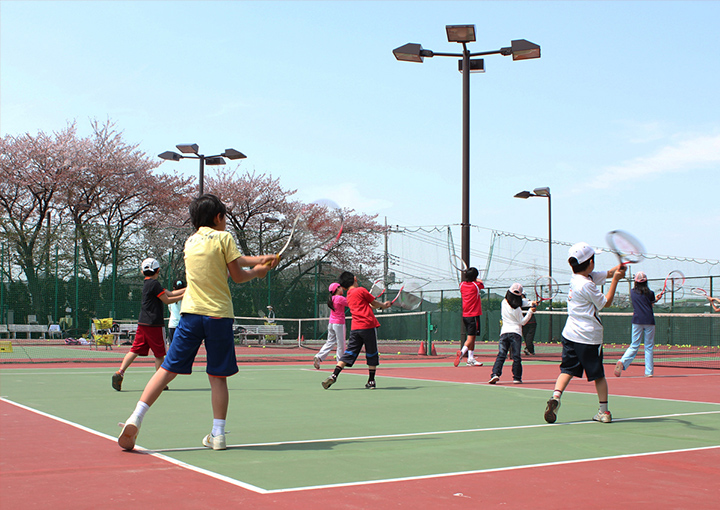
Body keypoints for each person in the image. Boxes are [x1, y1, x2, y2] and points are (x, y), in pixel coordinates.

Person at [117, 194, 277, 451]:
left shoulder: (190, 243)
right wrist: (258, 271)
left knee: (166, 370)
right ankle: (218, 434)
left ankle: (135, 417)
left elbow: (232, 262)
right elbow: (236, 274)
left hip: (190, 316)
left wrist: (259, 259)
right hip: (219, 316)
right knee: (218, 377)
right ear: (218, 217)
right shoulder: (225, 238)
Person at [543, 242, 626, 424]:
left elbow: (607, 273)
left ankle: (556, 397)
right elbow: (606, 303)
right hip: (588, 337)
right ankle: (603, 412)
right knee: (598, 375)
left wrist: (617, 270)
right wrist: (616, 280)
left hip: (570, 335)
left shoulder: (577, 278)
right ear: (590, 263)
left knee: (567, 370)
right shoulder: (587, 285)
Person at [111, 259, 185, 391]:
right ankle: (159, 382)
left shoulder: (148, 284)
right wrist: (185, 296)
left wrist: (189, 290)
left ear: (142, 271)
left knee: (134, 350)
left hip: (143, 323)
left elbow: (171, 293)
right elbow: (167, 300)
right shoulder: (155, 284)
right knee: (159, 354)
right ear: (158, 270)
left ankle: (120, 372)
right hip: (154, 324)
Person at [322, 271, 391, 390]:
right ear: (355, 278)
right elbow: (373, 303)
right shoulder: (361, 290)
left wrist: (380, 305)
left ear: (343, 286)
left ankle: (334, 375)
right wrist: (384, 305)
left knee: (349, 353)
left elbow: (369, 305)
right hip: (368, 326)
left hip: (355, 329)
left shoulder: (348, 295)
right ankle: (371, 381)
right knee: (372, 353)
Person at [614, 272, 661, 378]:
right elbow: (650, 304)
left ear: (636, 281)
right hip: (649, 321)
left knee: (634, 345)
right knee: (648, 347)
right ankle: (649, 372)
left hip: (637, 321)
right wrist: (655, 299)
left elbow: (646, 302)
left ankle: (622, 361)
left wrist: (654, 299)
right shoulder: (650, 293)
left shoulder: (632, 292)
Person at [488, 284, 537, 384]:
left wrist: (531, 303)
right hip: (515, 334)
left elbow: (519, 302)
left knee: (501, 355)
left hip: (504, 333)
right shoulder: (517, 309)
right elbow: (522, 322)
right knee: (516, 357)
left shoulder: (504, 302)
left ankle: (495, 374)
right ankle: (517, 378)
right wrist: (530, 311)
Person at [453, 267, 485, 367]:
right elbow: (481, 284)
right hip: (474, 315)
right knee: (471, 338)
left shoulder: (461, 285)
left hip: (465, 315)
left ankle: (470, 359)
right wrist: (476, 279)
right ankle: (462, 352)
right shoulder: (476, 285)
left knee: (472, 336)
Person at [313, 282, 348, 369]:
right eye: (340, 287)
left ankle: (319, 356)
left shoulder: (332, 298)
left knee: (330, 342)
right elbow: (351, 303)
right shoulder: (340, 298)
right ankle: (340, 362)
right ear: (337, 289)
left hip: (331, 323)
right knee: (341, 343)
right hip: (339, 323)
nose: (341, 289)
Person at [167, 279, 187, 346]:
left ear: (174, 288)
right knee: (183, 346)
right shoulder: (187, 297)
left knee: (173, 347)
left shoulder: (170, 297)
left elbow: (170, 309)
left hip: (173, 324)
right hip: (184, 324)